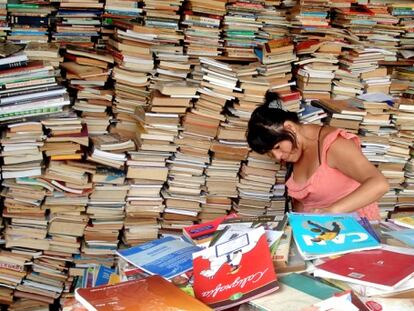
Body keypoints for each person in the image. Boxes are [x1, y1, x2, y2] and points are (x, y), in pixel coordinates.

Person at [246, 92, 389, 221]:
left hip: (355, 228)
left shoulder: (335, 145)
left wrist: (331, 211)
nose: (277, 157)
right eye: (271, 153)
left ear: (290, 127)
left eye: (277, 147)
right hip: (317, 232)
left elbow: (379, 184)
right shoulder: (293, 152)